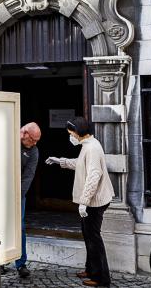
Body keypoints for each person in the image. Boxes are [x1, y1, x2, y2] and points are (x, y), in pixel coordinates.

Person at [45, 117, 114, 287]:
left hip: (94, 203)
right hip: (93, 201)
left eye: (71, 133)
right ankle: (90, 269)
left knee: (94, 239)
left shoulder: (92, 148)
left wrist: (84, 202)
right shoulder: (88, 145)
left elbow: (93, 176)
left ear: (78, 132)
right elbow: (81, 165)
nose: (70, 137)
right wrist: (60, 161)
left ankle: (101, 278)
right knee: (88, 236)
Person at [13, 122, 41, 278]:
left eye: (37, 140)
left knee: (20, 226)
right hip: (1, 190)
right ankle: (0, 261)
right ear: (24, 134)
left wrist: (18, 196)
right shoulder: (9, 139)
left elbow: (28, 176)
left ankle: (21, 263)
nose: (35, 143)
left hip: (19, 193)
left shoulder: (34, 151)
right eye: (33, 140)